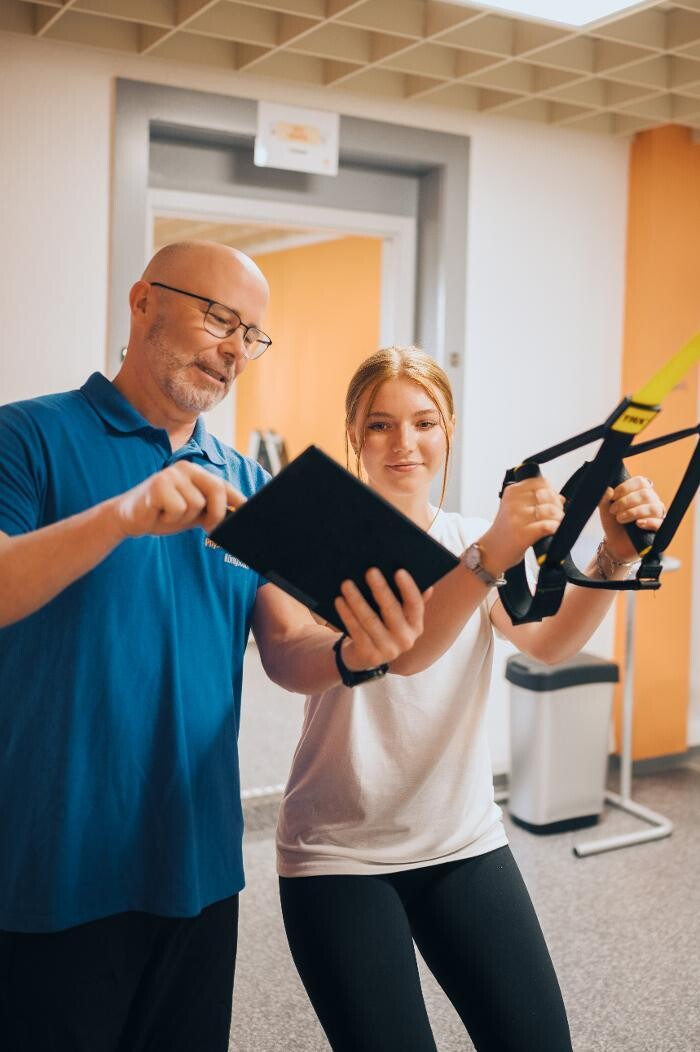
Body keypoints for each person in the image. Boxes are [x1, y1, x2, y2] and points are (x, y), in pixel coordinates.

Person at [0, 242, 430, 1052]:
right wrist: (121, 517)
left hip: (195, 864)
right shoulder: (25, 436)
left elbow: (287, 645)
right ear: (143, 303)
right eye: (219, 319)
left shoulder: (250, 486)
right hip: (54, 864)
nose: (235, 348)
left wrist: (356, 652)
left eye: (251, 335)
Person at [277, 346, 666, 1052]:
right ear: (353, 434)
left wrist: (615, 556)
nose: (404, 443)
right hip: (339, 851)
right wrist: (490, 554)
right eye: (380, 425)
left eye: (424, 422)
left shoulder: (468, 538)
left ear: (448, 429)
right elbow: (330, 660)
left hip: (461, 838)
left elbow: (547, 642)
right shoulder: (320, 536)